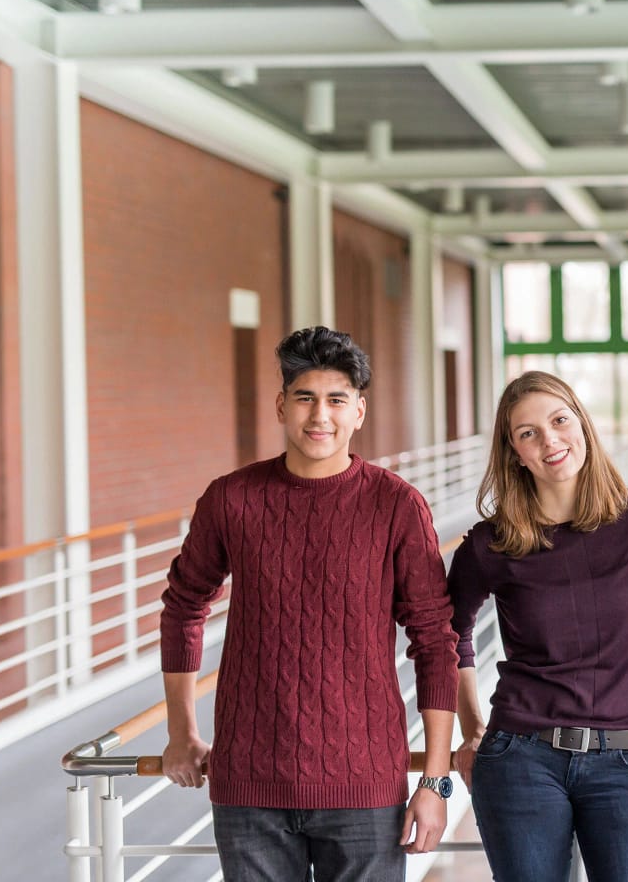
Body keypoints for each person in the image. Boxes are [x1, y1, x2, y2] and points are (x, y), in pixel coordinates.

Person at [157, 326, 459, 882]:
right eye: (305, 398)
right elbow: (183, 606)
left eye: (336, 400)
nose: (320, 416)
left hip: (365, 784)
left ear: (359, 411)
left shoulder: (396, 505)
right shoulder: (231, 498)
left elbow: (435, 639)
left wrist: (435, 779)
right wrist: (181, 729)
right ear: (281, 406)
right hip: (249, 784)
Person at [448, 371, 628, 882]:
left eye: (559, 420)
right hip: (520, 758)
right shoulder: (491, 542)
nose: (549, 440)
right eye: (528, 433)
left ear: (583, 425)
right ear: (514, 453)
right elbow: (446, 634)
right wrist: (471, 726)